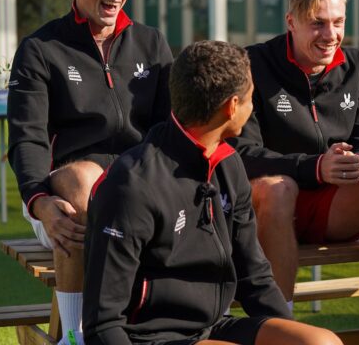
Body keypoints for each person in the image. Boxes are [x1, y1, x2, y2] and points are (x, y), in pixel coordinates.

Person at [83, 41, 342, 345]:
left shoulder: (229, 166)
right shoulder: (132, 185)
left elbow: (254, 277)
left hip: (214, 327)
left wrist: (287, 332)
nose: (253, 106)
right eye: (250, 98)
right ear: (232, 107)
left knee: (320, 342)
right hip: (151, 338)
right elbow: (103, 325)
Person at [230, 0, 359, 345]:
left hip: (333, 206)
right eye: (317, 23)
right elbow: (242, 154)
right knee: (279, 188)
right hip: (268, 209)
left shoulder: (355, 65)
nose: (330, 35)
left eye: (337, 22)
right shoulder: (254, 64)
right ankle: (279, 327)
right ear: (291, 22)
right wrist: (314, 167)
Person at [7, 0, 172, 344]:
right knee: (81, 182)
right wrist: (38, 201)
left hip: (135, 187)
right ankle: (77, 336)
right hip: (60, 197)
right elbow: (26, 138)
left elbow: (171, 128)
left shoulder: (151, 43)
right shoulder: (41, 49)